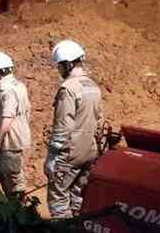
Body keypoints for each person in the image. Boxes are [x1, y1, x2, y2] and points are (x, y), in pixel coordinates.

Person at [44, 40, 103, 219]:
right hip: (90, 152)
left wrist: (52, 156)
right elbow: (100, 122)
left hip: (69, 153)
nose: (59, 70)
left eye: (60, 66)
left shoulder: (68, 88)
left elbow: (64, 126)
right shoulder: (93, 86)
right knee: (77, 199)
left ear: (68, 64)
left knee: (59, 201)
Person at [0, 52, 31, 200]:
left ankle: (17, 206)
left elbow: (7, 117)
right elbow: (27, 110)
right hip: (18, 133)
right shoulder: (19, 85)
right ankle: (14, 202)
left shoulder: (5, 88)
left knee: (12, 174)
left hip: (9, 137)